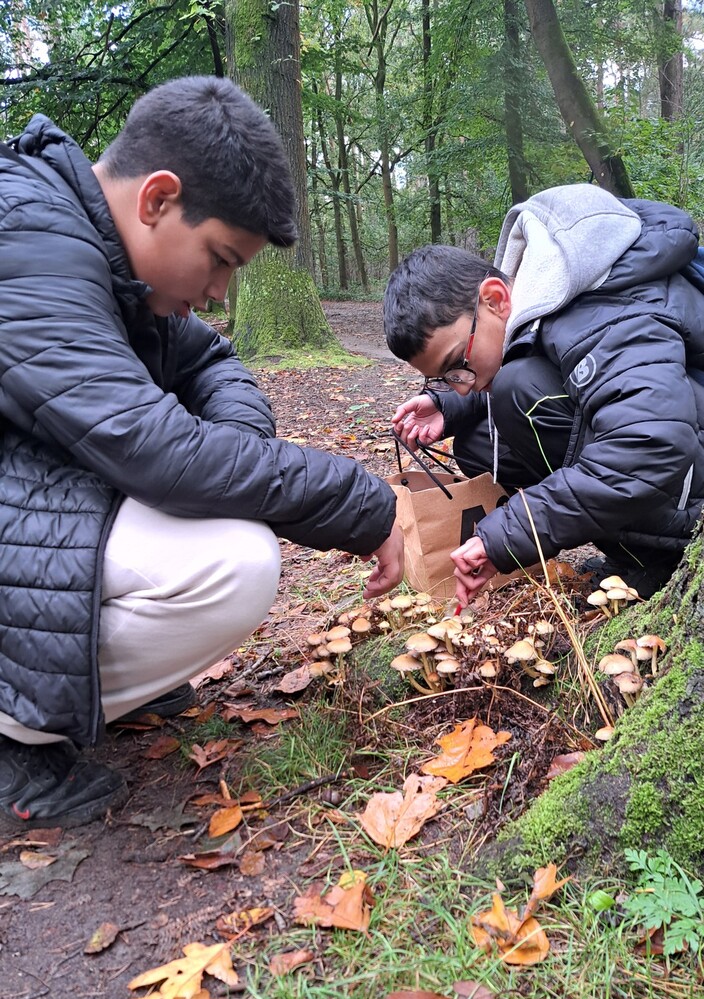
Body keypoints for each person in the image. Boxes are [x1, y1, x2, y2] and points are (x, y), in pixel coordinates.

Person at [0, 76, 403, 829]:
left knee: (217, 522)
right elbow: (152, 450)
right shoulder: (28, 245)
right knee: (234, 564)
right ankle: (15, 731)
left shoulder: (99, 253)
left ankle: (81, 686)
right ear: (157, 200)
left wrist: (231, 455)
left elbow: (213, 366)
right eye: (219, 259)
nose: (219, 293)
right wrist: (360, 502)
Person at [385, 183, 704, 606]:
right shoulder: (546, 293)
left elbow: (651, 443)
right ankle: (633, 553)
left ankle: (660, 561)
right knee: (480, 441)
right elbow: (564, 366)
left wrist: (511, 534)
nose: (467, 382)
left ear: (495, 299)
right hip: (680, 445)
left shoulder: (607, 307)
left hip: (682, 475)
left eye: (457, 364)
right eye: (446, 379)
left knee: (519, 392)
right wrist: (453, 405)